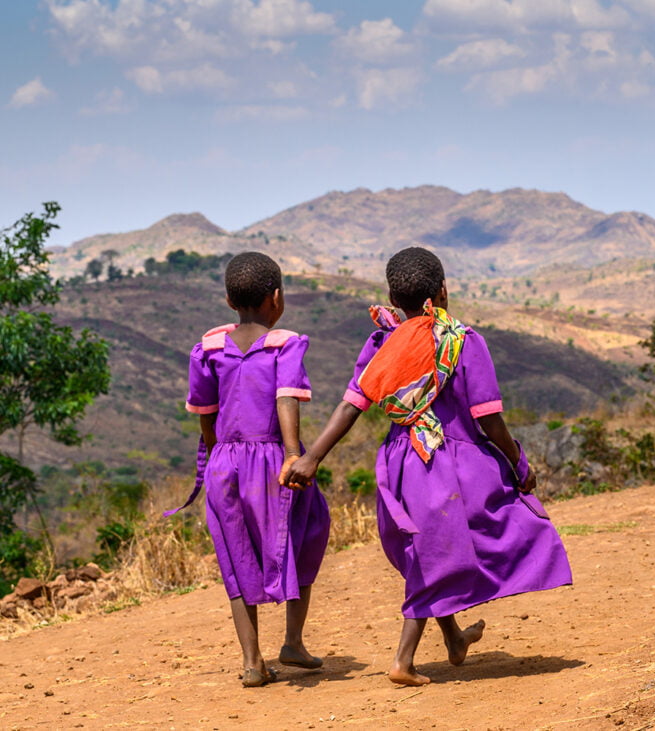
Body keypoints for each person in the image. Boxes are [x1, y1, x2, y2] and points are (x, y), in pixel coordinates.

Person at [284, 246, 573, 686]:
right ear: (442, 290)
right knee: (482, 539)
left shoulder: (383, 340)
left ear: (392, 295)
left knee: (436, 547)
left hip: (401, 464)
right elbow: (488, 417)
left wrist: (312, 458)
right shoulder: (461, 339)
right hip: (448, 463)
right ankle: (402, 661)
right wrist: (518, 461)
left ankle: (454, 638)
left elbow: (350, 406)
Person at [176, 251, 330, 688]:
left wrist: (218, 459)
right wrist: (290, 454)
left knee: (236, 552)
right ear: (276, 298)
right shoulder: (286, 343)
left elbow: (205, 413)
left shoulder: (208, 349)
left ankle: (252, 661)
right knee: (309, 528)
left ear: (229, 299)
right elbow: (286, 398)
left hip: (225, 463)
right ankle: (293, 642)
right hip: (273, 460)